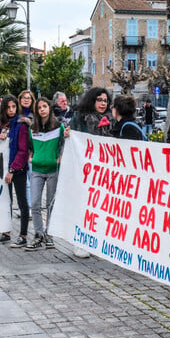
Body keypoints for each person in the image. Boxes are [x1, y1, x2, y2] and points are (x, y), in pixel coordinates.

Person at [69, 87, 113, 258]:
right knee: (83, 205)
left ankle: (96, 240)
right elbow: (73, 138)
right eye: (99, 100)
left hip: (103, 170)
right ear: (92, 100)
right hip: (84, 169)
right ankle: (80, 241)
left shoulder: (110, 118)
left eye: (105, 100)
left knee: (99, 207)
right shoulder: (80, 117)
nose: (103, 103)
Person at [25, 97, 66, 251]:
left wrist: (60, 157)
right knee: (35, 203)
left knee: (50, 204)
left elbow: (64, 144)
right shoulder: (33, 128)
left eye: (44, 106)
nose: (42, 109)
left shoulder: (59, 127)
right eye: (39, 107)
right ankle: (38, 234)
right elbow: (30, 146)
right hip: (36, 169)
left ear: (49, 108)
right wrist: (31, 155)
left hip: (53, 171)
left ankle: (49, 234)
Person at [0, 95, 31, 247]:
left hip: (17, 170)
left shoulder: (21, 125)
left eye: (14, 107)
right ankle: (6, 232)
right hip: (3, 168)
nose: (11, 110)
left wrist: (12, 170)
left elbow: (23, 150)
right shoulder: (2, 125)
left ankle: (23, 235)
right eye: (8, 107)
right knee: (5, 201)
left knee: (22, 202)